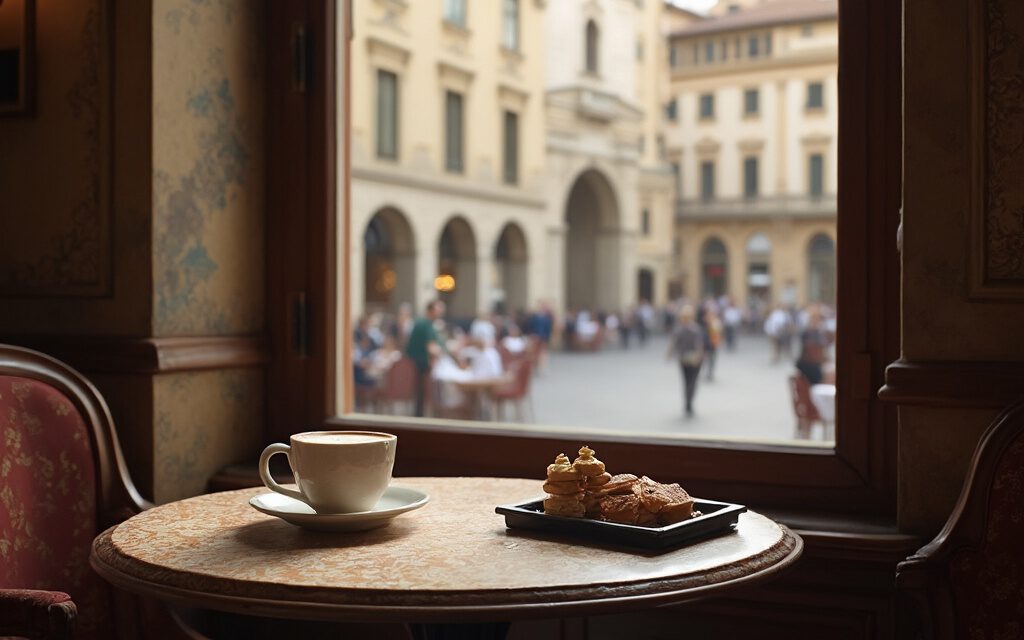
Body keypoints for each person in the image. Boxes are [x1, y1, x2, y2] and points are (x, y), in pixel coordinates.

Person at [405, 300, 446, 417]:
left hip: (416, 363)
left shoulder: (421, 323)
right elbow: (431, 347)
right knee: (422, 393)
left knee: (420, 394)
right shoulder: (426, 325)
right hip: (421, 364)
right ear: (431, 310)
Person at [667, 305, 706, 418]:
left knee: (686, 381)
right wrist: (700, 356)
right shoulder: (696, 329)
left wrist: (669, 354)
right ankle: (689, 400)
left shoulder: (679, 329)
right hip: (694, 359)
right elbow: (699, 345)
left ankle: (687, 401)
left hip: (683, 358)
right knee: (693, 381)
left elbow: (673, 343)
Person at [795, 307, 829, 385]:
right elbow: (811, 348)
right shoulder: (807, 332)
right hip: (809, 363)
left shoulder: (819, 332)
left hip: (813, 362)